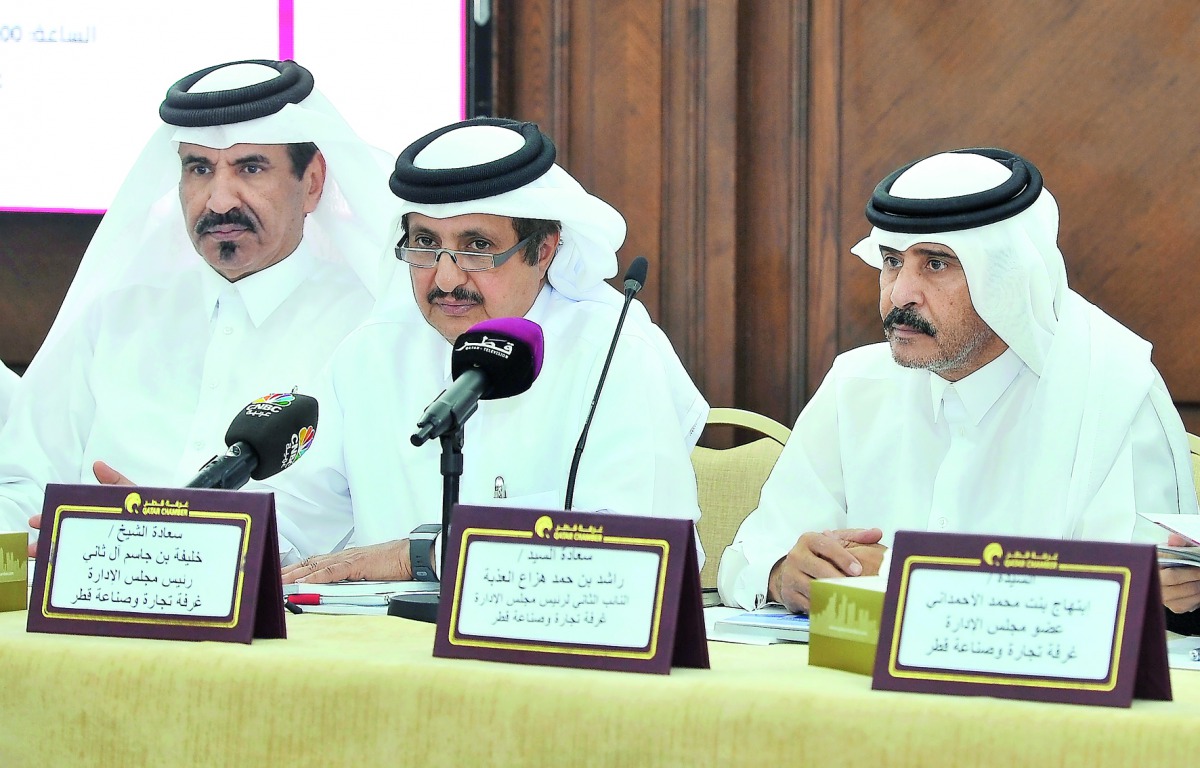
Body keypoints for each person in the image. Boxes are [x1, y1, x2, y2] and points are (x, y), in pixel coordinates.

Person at [717, 147, 1198, 613]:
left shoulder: (1113, 395)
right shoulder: (855, 382)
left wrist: (902, 581)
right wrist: (785, 574)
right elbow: (747, 559)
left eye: (936, 264)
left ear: (1007, 280)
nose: (900, 294)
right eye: (891, 261)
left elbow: (1149, 605)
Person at [265, 117, 708, 580]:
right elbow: (297, 515)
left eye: (476, 247)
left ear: (543, 251)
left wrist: (414, 557)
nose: (447, 278)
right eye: (425, 244)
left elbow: (644, 553)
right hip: (384, 646)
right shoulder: (371, 355)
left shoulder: (612, 355)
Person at [0, 59, 397, 536]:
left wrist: (175, 534)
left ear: (311, 182)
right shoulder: (114, 319)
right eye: (200, 168)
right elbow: (25, 485)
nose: (219, 200)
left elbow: (376, 524)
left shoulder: (370, 330)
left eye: (251, 168)